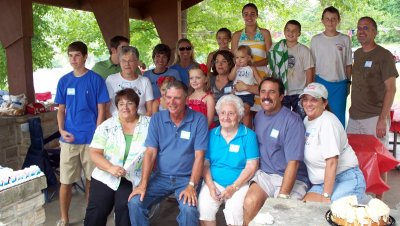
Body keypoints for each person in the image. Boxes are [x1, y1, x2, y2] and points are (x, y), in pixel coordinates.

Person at [127, 80, 208, 226]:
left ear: (186, 100)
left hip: (186, 178)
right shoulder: (157, 119)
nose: (172, 102)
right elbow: (150, 153)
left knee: (189, 210)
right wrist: (143, 184)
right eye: (168, 97)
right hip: (161, 176)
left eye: (177, 98)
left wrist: (191, 185)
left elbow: (199, 156)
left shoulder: (198, 119)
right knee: (135, 202)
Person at [55, 41, 110, 226]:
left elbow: (101, 109)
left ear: (85, 56)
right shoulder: (64, 81)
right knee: (65, 182)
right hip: (69, 139)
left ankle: (90, 216)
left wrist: (97, 135)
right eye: (70, 55)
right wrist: (61, 130)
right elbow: (61, 110)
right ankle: (64, 218)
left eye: (77, 55)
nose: (73, 59)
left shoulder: (95, 79)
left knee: (91, 181)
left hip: (90, 140)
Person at [243, 77, 309, 225]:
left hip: (291, 177)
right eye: (263, 92)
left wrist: (283, 196)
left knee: (282, 216)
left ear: (281, 96)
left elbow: (293, 163)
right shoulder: (259, 116)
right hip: (266, 174)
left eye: (272, 92)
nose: (266, 96)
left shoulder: (292, 121)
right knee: (249, 202)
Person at [347, 16, 398, 199]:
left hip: (374, 117)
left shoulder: (383, 56)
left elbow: (391, 90)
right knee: (353, 158)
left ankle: (379, 202)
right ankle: (358, 195)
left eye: (366, 28)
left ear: (374, 32)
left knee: (378, 161)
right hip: (354, 116)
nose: (362, 31)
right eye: (359, 27)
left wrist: (382, 120)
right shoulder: (358, 54)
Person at [84, 88, 151, 226]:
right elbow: (94, 152)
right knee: (96, 211)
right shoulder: (107, 126)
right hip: (106, 174)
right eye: (121, 104)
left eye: (129, 103)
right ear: (117, 106)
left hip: (133, 177)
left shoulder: (150, 124)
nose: (125, 107)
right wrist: (110, 167)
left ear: (137, 105)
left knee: (125, 209)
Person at [198, 94, 259, 226]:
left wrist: (233, 187)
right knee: (205, 207)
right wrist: (211, 186)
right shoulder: (211, 134)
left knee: (234, 211)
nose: (226, 117)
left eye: (231, 113)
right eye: (223, 113)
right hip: (214, 182)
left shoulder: (249, 135)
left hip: (239, 183)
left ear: (239, 116)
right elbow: (205, 163)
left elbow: (251, 166)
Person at [300, 83, 366, 203]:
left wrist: (326, 196)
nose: (308, 104)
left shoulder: (328, 122)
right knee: (304, 210)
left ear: (324, 103)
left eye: (314, 100)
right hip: (322, 183)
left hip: (345, 179)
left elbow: (332, 162)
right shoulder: (307, 120)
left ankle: (358, 198)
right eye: (305, 99)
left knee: (328, 213)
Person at [310, 6, 352, 127]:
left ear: (338, 20)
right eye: (327, 19)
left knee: (338, 118)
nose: (330, 22)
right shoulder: (316, 40)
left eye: (333, 19)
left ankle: (338, 144)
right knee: (319, 116)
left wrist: (348, 83)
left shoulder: (345, 39)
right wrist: (312, 83)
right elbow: (312, 65)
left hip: (340, 84)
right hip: (321, 82)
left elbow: (348, 64)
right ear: (322, 20)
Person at [269, 20, 314, 119]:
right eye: (288, 30)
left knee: (300, 119)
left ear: (299, 33)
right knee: (282, 119)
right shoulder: (277, 49)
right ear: (284, 31)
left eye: (294, 31)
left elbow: (309, 72)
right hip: (282, 92)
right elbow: (273, 71)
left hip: (299, 92)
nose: (291, 33)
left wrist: (307, 92)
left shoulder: (304, 50)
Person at [231, 3, 272, 112]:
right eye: (246, 14)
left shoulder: (264, 33)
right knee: (244, 113)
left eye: (252, 14)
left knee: (262, 111)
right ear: (243, 16)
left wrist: (252, 65)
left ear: (257, 15)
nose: (249, 17)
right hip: (243, 79)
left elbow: (270, 58)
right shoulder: (237, 35)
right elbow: (233, 59)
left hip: (260, 77)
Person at [105, 46, 153, 117]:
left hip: (140, 123)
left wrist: (139, 125)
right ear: (120, 62)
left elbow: (150, 110)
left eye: (130, 61)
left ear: (137, 62)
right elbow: (106, 109)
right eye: (123, 61)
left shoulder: (145, 81)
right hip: (116, 123)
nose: (127, 64)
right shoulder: (111, 80)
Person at [228, 45, 261, 128]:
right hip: (236, 94)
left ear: (249, 58)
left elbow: (259, 80)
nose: (239, 60)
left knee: (246, 111)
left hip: (247, 94)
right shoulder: (235, 68)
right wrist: (235, 68)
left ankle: (246, 129)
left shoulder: (251, 68)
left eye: (242, 57)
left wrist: (262, 87)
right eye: (237, 57)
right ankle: (236, 127)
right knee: (236, 111)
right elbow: (230, 78)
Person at [187, 64, 216, 129]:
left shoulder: (208, 98)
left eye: (198, 78)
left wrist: (200, 133)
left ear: (205, 79)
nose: (194, 81)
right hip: (190, 130)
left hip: (204, 131)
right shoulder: (188, 97)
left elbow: (209, 120)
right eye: (191, 78)